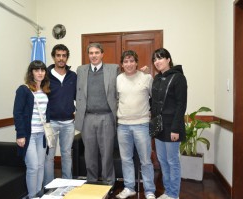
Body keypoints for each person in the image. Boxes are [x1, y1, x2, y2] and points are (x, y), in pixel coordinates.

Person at [75, 43, 119, 185]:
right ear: (88, 55)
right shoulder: (81, 70)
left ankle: (108, 183)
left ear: (102, 54)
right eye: (91, 53)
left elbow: (124, 86)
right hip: (87, 117)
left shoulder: (113, 69)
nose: (93, 55)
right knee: (90, 154)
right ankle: (91, 182)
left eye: (96, 52)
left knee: (106, 154)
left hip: (106, 117)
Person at [115, 50, 156, 199]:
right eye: (126, 61)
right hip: (123, 125)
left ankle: (150, 190)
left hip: (142, 125)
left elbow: (154, 98)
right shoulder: (118, 79)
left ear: (136, 62)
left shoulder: (147, 78)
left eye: (132, 61)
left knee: (145, 160)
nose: (129, 64)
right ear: (122, 64)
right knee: (126, 159)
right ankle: (129, 187)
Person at [151, 48, 187, 199]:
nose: (157, 62)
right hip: (159, 127)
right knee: (163, 161)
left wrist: (175, 128)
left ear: (168, 59)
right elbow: (153, 102)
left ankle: (174, 194)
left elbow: (181, 105)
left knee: (173, 161)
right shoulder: (157, 78)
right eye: (155, 59)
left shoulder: (178, 78)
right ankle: (168, 191)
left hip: (172, 127)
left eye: (160, 58)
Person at [13, 60, 50, 198]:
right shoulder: (24, 89)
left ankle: (38, 194)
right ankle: (32, 195)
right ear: (31, 72)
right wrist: (20, 134)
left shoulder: (46, 90)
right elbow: (18, 113)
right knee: (33, 167)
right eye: (36, 70)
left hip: (42, 135)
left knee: (41, 166)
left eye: (42, 70)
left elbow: (47, 112)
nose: (40, 73)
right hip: (29, 135)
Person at [43, 44, 77, 185]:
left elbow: (78, 96)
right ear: (54, 57)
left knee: (67, 155)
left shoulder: (73, 76)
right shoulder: (46, 76)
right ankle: (49, 186)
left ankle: (67, 185)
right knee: (49, 157)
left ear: (67, 57)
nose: (61, 58)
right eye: (58, 55)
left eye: (64, 55)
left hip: (68, 123)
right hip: (51, 123)